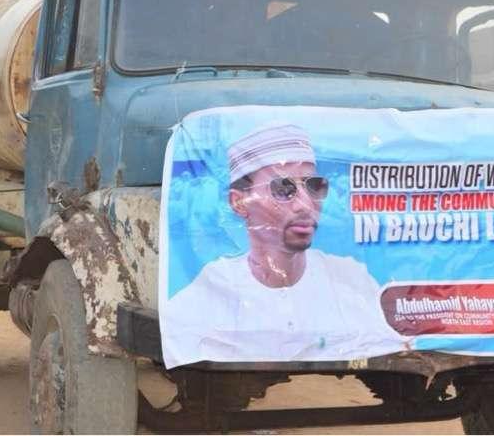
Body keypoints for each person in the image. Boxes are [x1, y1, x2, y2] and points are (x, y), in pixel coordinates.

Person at [162, 123, 400, 364]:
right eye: (284, 188)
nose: (305, 204)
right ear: (240, 202)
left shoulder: (350, 280)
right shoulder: (211, 292)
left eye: (314, 186)